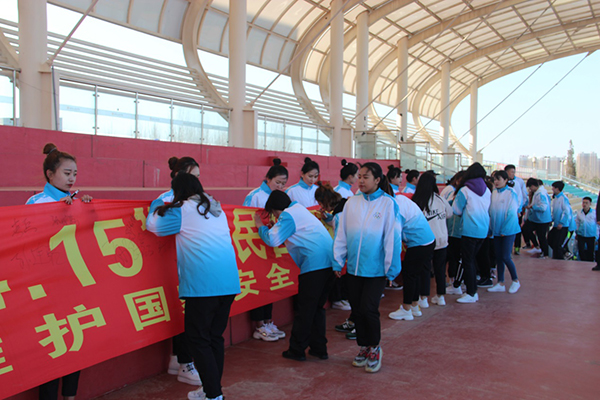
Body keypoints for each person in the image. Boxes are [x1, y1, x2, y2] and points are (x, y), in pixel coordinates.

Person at [147, 173, 241, 400]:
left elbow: (153, 225)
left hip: (203, 286)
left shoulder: (183, 210)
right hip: (229, 283)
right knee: (214, 338)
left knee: (198, 340)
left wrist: (158, 201)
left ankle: (213, 395)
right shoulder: (216, 208)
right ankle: (211, 390)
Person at [27, 143, 92, 400]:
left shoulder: (77, 200)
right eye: (66, 173)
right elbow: (30, 242)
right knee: (54, 346)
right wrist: (58, 212)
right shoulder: (36, 202)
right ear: (50, 174)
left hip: (74, 282)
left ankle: (70, 396)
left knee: (76, 340)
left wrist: (87, 209)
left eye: (74, 173)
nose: (72, 178)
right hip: (47, 288)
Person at [333, 162, 401, 373]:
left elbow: (392, 238)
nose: (360, 181)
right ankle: (363, 346)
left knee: (369, 309)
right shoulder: (351, 203)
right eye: (359, 176)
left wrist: (391, 268)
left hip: (376, 270)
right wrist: (338, 260)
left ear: (377, 180)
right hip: (354, 268)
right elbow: (342, 234)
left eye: (366, 177)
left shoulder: (388, 204)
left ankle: (374, 348)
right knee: (357, 310)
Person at [254, 190, 335, 361]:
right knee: (317, 309)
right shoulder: (299, 210)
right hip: (329, 264)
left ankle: (297, 349)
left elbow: (272, 240)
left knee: (305, 310)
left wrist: (260, 226)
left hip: (314, 266)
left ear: (275, 210)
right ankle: (319, 348)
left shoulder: (288, 215)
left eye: (274, 214)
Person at [152, 157, 203, 386]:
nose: (197, 182)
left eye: (198, 177)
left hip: (190, 264)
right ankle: (184, 362)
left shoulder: (199, 201)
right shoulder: (165, 200)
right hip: (171, 263)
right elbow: (154, 225)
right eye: (193, 176)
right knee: (182, 314)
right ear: (178, 176)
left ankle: (178, 359)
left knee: (186, 314)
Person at [243, 158, 289, 342]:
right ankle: (259, 325)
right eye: (277, 182)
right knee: (259, 285)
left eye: (283, 183)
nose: (280, 186)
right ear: (268, 179)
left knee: (270, 282)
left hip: (270, 245)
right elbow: (245, 219)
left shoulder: (280, 196)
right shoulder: (255, 195)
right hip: (255, 247)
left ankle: (269, 321)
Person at [388, 188, 436, 320]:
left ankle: (406, 309)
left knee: (409, 276)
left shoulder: (395, 208)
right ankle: (414, 306)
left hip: (419, 243)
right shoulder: (401, 198)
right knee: (415, 275)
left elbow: (396, 239)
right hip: (428, 240)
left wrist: (392, 268)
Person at [408, 172, 453, 306]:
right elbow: (450, 213)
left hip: (425, 241)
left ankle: (423, 298)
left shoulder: (417, 200)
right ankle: (440, 296)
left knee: (425, 269)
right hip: (442, 239)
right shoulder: (440, 199)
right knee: (440, 269)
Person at [451, 162, 491, 303]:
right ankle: (470, 291)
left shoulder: (465, 190)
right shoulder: (487, 191)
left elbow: (456, 210)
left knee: (468, 262)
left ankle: (471, 293)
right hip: (483, 230)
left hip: (469, 231)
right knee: (471, 260)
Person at [487, 170, 521, 294]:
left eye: (499, 179)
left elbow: (512, 213)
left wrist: (505, 230)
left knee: (506, 256)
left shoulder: (511, 193)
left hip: (508, 231)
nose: (496, 182)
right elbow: (491, 212)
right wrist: (491, 229)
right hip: (496, 231)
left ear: (506, 180)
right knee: (499, 257)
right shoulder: (494, 193)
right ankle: (500, 283)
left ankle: (515, 280)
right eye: (495, 179)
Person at [442, 171, 465, 295]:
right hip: (454, 231)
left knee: (454, 258)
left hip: (456, 231)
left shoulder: (461, 193)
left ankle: (455, 283)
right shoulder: (453, 192)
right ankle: (455, 282)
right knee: (454, 258)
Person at [524, 178, 552, 259]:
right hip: (535, 218)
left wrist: (532, 207)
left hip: (542, 220)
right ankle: (537, 246)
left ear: (533, 186)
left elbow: (543, 207)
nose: (530, 189)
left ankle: (545, 254)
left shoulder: (541, 194)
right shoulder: (538, 193)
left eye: (530, 187)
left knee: (541, 237)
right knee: (525, 229)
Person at [504, 165, 527, 254]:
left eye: (514, 172)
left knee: (516, 230)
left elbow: (520, 197)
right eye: (511, 172)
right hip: (504, 212)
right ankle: (507, 250)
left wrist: (519, 210)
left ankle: (516, 248)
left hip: (516, 211)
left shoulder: (517, 182)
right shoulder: (503, 182)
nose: (513, 174)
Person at [548, 181, 572, 260]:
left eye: (553, 188)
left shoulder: (564, 198)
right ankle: (563, 254)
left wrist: (562, 222)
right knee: (550, 240)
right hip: (556, 225)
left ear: (557, 188)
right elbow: (554, 212)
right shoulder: (555, 198)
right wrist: (551, 220)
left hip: (562, 226)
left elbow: (566, 212)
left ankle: (562, 256)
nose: (552, 189)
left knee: (558, 244)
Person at [576, 197, 597, 262]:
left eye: (586, 203)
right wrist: (577, 232)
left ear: (590, 204)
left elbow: (597, 225)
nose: (584, 204)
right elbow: (577, 223)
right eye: (583, 203)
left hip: (591, 236)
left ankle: (590, 264)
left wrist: (597, 236)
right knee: (581, 251)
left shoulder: (594, 213)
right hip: (581, 235)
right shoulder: (579, 213)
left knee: (590, 252)